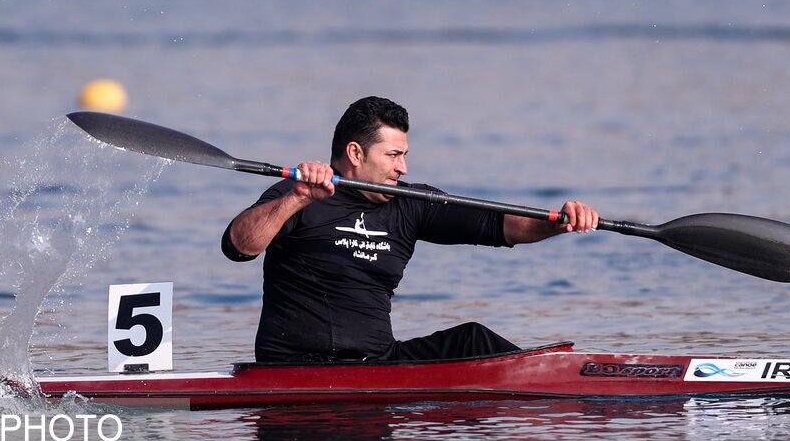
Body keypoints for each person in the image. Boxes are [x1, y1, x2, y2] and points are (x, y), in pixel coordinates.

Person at [221, 96, 598, 364]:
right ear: (355, 154)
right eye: (393, 156)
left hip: (377, 363)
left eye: (404, 155)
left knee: (471, 339)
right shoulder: (295, 195)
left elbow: (502, 226)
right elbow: (239, 246)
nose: (403, 169)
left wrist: (561, 222)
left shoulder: (410, 203)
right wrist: (299, 198)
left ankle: (547, 380)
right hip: (294, 369)